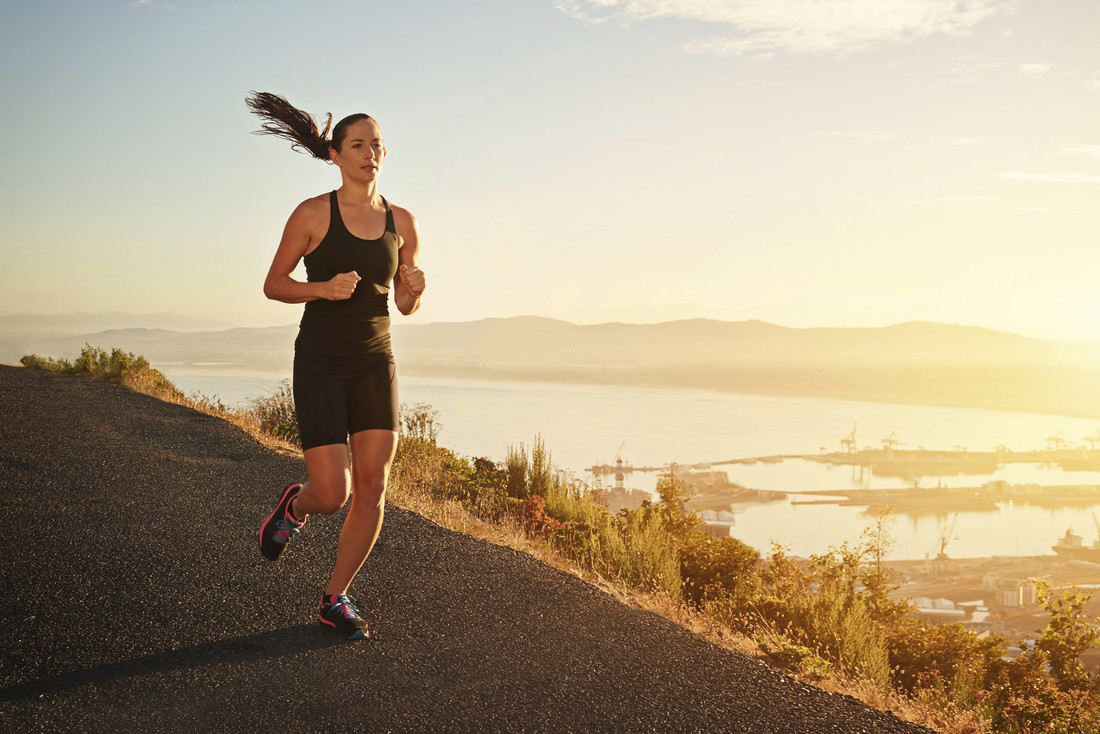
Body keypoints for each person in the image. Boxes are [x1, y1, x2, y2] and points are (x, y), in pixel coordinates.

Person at [247, 91, 426, 640]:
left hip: (377, 360)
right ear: (336, 155)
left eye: (376, 144)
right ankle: (295, 509)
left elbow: (403, 301)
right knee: (334, 493)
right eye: (357, 144)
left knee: (373, 486)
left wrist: (415, 289)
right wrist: (324, 289)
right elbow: (274, 284)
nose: (369, 152)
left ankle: (335, 597)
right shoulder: (312, 214)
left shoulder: (402, 221)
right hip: (322, 362)